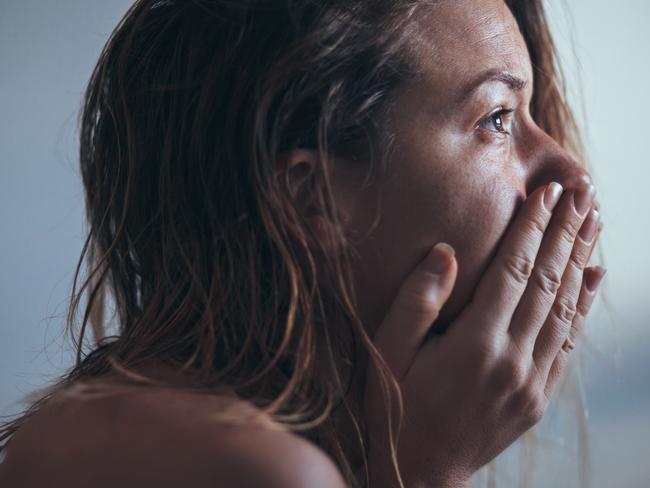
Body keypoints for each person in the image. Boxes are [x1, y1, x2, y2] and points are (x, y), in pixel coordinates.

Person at [0, 0, 606, 486]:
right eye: (497, 118)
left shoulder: (101, 425)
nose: (570, 174)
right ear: (311, 198)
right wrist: (424, 476)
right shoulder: (263, 470)